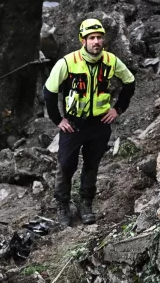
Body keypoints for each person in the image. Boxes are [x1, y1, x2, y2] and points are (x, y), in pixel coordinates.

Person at [43, 18, 135, 226]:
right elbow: (49, 92)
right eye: (91, 38)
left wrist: (118, 108)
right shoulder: (67, 62)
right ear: (82, 40)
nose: (96, 42)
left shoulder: (111, 61)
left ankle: (86, 203)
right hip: (73, 124)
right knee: (66, 165)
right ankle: (63, 205)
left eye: (99, 38)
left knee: (92, 165)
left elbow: (129, 82)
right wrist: (58, 119)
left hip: (99, 124)